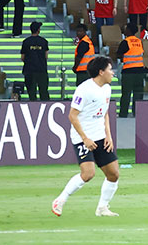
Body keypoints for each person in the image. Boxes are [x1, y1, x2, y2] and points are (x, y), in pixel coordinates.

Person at [51, 56, 120, 217]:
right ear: (101, 72)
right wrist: (85, 139)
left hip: (100, 135)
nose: (113, 73)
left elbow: (105, 113)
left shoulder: (107, 89)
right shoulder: (84, 89)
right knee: (88, 174)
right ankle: (60, 200)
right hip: (83, 136)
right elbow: (72, 116)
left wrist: (108, 136)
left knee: (113, 173)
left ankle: (102, 208)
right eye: (110, 69)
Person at [115, 24, 148, 118]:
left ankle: (123, 114)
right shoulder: (139, 41)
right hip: (140, 72)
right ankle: (137, 114)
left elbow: (118, 55)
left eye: (126, 29)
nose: (124, 31)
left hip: (128, 72)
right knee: (138, 95)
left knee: (126, 94)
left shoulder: (125, 42)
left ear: (129, 30)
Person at [21, 21, 50, 101]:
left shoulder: (26, 42)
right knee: (43, 92)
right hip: (41, 70)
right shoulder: (44, 41)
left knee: (31, 93)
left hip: (29, 70)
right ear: (38, 30)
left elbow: (23, 57)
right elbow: (46, 56)